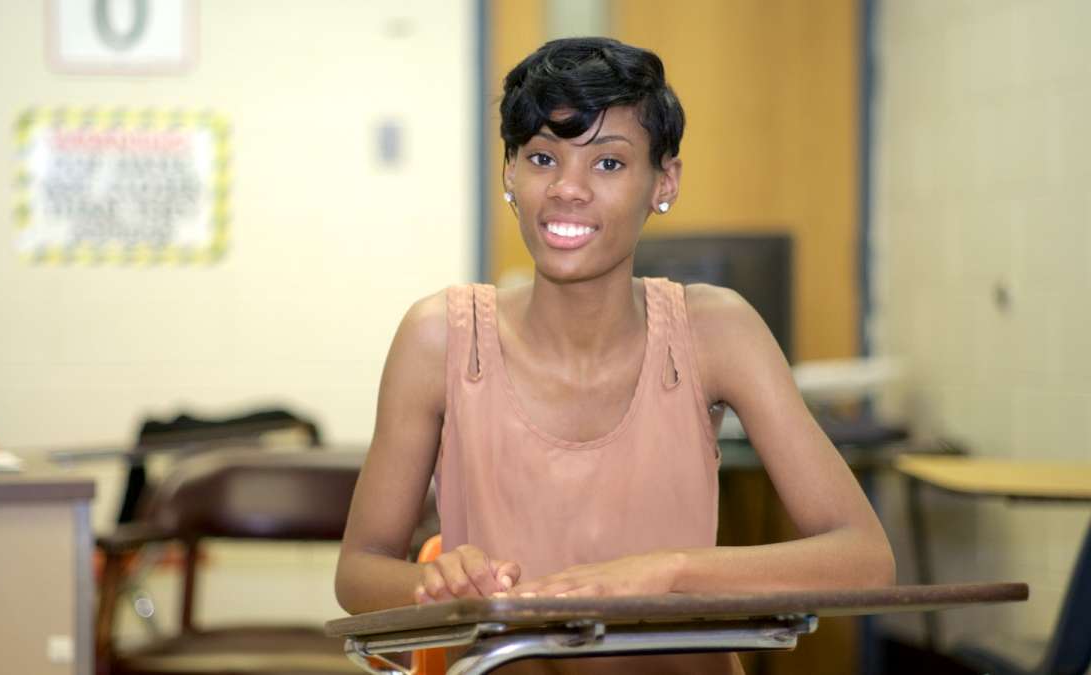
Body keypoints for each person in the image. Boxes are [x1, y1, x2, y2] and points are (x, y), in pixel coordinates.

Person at [335, 37, 895, 674]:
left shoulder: (718, 331)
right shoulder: (438, 336)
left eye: (608, 164)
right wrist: (435, 583)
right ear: (509, 175)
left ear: (665, 181)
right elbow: (358, 572)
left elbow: (864, 556)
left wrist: (670, 572)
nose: (568, 190)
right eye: (543, 157)